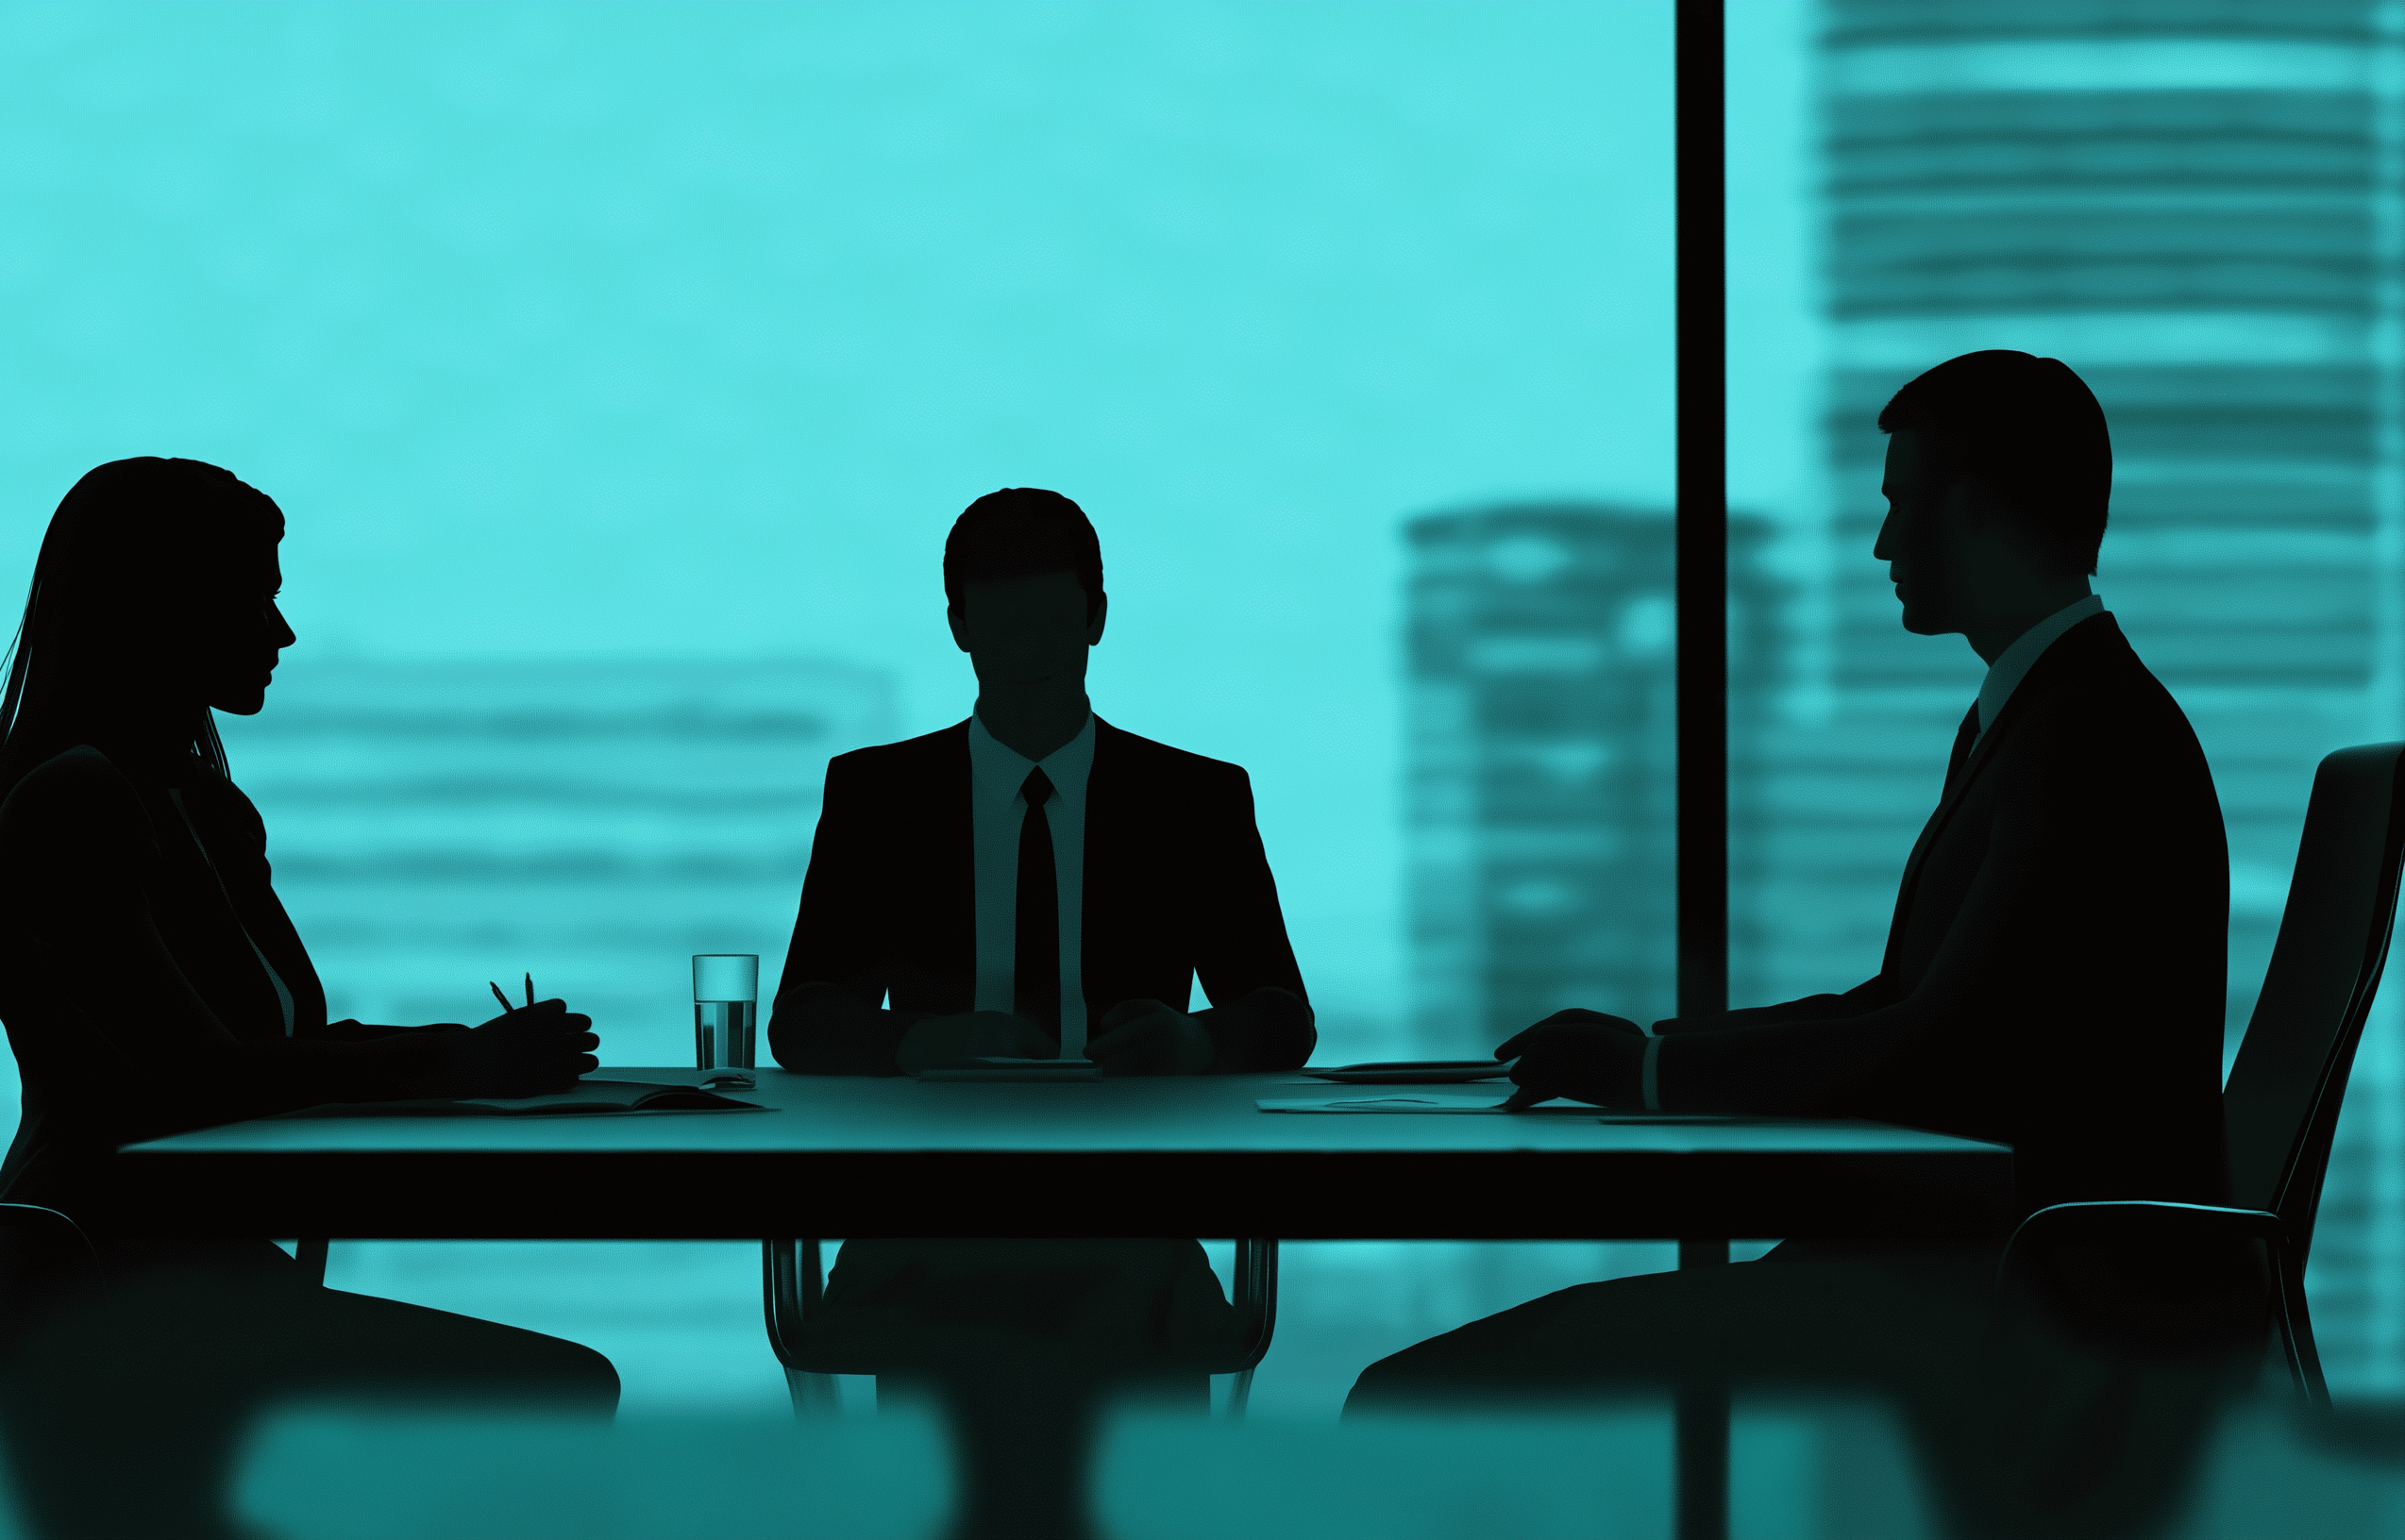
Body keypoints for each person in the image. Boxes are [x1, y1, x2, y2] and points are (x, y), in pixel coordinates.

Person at [1348, 353, 2235, 1469]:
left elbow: (1936, 1044)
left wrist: (1647, 1076)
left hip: (2016, 1287)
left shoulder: (2085, 738)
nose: (1880, 545)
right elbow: (1908, 1004)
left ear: (1968, 512)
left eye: (1898, 504)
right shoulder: (2054, 716)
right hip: (1982, 1257)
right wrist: (1657, 1052)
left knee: (1414, 1398)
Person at [0, 457, 616, 1539]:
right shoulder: (74, 804)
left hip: (193, 1273)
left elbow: (275, 1047)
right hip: (98, 1282)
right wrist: (451, 1064)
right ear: (156, 605)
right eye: (253, 595)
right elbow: (194, 1080)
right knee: (555, 1390)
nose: (281, 631)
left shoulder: (200, 806)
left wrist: (465, 1053)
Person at [771, 487, 1313, 1538]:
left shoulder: (1192, 800)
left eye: (1049, 617)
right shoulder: (878, 796)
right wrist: (916, 1041)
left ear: (1095, 617)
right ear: (958, 627)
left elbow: (1280, 1012)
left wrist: (1196, 1041)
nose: (1026, 643)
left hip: (1128, 1217)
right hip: (927, 1221)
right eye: (1002, 616)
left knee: (1125, 1499)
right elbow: (802, 1016)